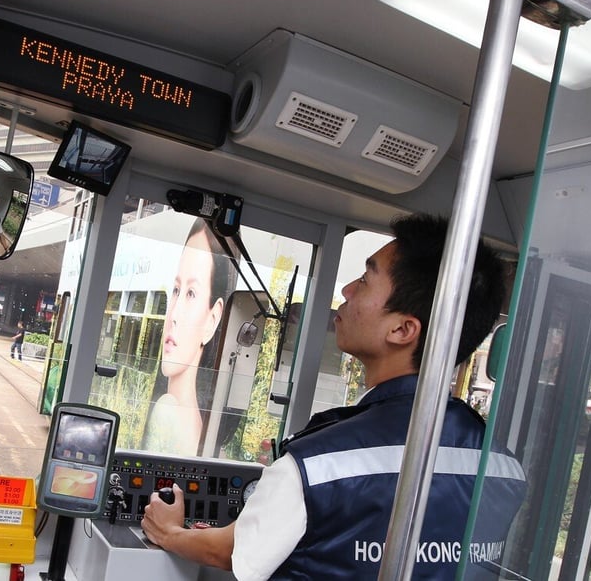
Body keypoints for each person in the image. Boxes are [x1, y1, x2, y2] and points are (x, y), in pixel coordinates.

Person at [141, 213, 527, 580]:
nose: (346, 290)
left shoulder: (315, 466)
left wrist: (170, 531)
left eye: (364, 279)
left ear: (403, 329)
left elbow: (227, 551)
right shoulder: (505, 470)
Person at [141, 217, 237, 456]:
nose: (173, 314)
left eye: (191, 293)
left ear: (212, 319)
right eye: (176, 290)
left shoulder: (167, 410)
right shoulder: (204, 426)